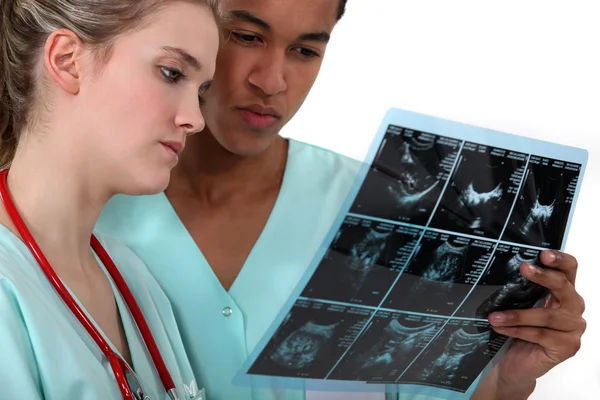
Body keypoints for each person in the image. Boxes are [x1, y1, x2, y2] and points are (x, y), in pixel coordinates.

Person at [96, 0, 587, 399]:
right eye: (247, 37)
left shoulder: (394, 210)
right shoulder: (93, 210)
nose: (271, 81)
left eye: (305, 50)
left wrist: (504, 382)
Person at [0, 0, 222, 398]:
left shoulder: (134, 280)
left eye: (201, 92)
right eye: (172, 73)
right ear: (68, 61)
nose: (195, 118)